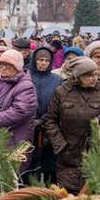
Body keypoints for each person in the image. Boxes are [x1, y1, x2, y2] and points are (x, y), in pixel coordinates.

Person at [45, 57, 100, 194]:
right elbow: (50, 120)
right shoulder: (62, 92)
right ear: (78, 76)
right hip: (68, 155)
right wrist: (60, 144)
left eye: (96, 74)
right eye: (89, 75)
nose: (94, 78)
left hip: (96, 155)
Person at [28, 45, 63, 184]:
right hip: (29, 127)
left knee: (50, 166)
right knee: (31, 165)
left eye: (47, 61)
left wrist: (43, 120)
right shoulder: (27, 76)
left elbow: (57, 103)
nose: (43, 63)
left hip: (50, 127)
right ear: (34, 60)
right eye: (40, 60)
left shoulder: (57, 79)